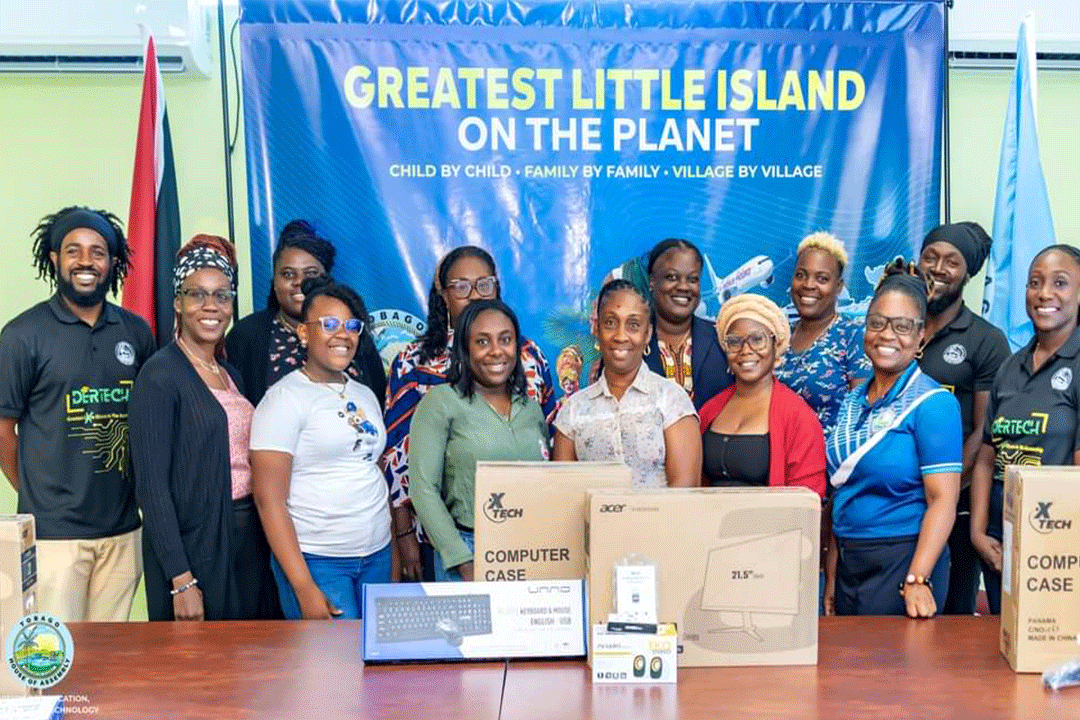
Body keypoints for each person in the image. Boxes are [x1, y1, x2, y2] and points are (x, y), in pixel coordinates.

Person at [0, 206, 154, 621]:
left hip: (124, 530)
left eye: (98, 252)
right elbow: (3, 429)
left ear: (113, 262)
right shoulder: (22, 335)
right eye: (73, 250)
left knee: (110, 666)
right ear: (55, 260)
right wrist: (39, 494)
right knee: (59, 661)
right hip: (55, 537)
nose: (86, 261)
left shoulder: (136, 332)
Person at [382, 246, 556, 581]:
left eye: (484, 284)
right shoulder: (414, 361)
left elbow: (548, 444)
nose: (474, 295)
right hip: (446, 532)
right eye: (461, 286)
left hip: (526, 541)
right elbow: (400, 458)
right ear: (443, 294)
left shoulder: (529, 354)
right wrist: (405, 536)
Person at [131, 235, 275, 621]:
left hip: (245, 537)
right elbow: (151, 487)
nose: (211, 306)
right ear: (178, 302)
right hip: (195, 547)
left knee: (249, 667)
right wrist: (181, 579)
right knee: (202, 672)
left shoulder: (230, 374)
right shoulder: (159, 375)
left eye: (222, 296)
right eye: (197, 295)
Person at [825, 260, 961, 618]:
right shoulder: (853, 400)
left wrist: (917, 579)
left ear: (921, 337)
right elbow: (845, 490)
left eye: (902, 326)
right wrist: (832, 574)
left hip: (902, 559)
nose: (887, 335)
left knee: (889, 674)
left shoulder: (933, 403)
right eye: (877, 323)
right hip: (851, 561)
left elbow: (943, 501)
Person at [251, 277, 394, 619]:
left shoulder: (363, 394)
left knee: (380, 669)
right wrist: (303, 587)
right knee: (331, 670)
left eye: (351, 325)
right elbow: (268, 500)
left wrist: (393, 558)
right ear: (304, 333)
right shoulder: (283, 400)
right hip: (319, 562)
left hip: (377, 555)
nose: (342, 334)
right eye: (329, 324)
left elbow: (373, 469)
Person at [970, 244, 1080, 615]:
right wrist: (979, 533)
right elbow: (987, 459)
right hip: (1003, 545)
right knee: (1001, 658)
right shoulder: (1009, 367)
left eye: (1060, 283)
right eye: (1035, 283)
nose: (1045, 293)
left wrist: (1056, 542)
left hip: (1058, 546)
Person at [409, 299, 548, 581]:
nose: (496, 351)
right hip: (467, 551)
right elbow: (423, 488)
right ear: (465, 350)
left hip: (530, 552)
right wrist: (464, 561)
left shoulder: (531, 408)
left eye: (505, 340)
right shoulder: (441, 403)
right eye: (482, 342)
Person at [915, 222, 1010, 616]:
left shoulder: (985, 340)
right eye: (930, 257)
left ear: (968, 273)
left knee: (950, 616)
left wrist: (944, 490)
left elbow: (984, 432)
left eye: (951, 262)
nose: (937, 268)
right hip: (900, 501)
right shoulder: (898, 327)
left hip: (957, 504)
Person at [553, 279, 701, 487]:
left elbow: (685, 491)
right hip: (593, 521)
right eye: (610, 323)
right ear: (596, 328)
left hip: (661, 520)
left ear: (648, 334)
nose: (621, 336)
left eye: (633, 325)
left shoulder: (671, 400)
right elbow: (563, 495)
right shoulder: (573, 411)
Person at [225, 220, 386, 407]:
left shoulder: (351, 333)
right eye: (287, 274)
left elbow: (379, 405)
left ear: (327, 279)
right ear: (274, 281)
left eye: (310, 273)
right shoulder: (246, 335)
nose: (299, 282)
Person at [698, 293, 826, 496]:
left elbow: (808, 500)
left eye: (758, 340)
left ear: (776, 346)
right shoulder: (710, 410)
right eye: (734, 341)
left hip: (771, 527)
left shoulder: (798, 418)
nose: (745, 350)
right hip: (709, 525)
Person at [775, 232, 870, 436]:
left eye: (822, 278)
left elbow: (862, 415)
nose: (808, 285)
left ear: (838, 287)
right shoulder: (780, 334)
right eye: (801, 274)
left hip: (830, 462)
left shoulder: (853, 335)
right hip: (776, 460)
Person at [644, 238, 733, 409]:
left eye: (692, 279)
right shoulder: (631, 343)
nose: (684, 287)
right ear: (652, 281)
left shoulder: (723, 342)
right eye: (672, 277)